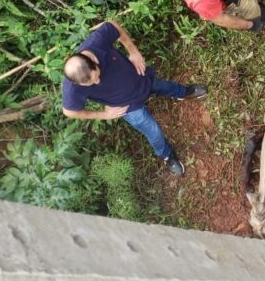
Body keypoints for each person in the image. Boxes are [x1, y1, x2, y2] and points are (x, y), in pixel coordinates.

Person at [62, 21, 207, 176]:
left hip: (139, 77)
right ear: (77, 83)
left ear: (94, 61)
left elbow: (112, 25)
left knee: (164, 86)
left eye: (96, 76)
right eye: (91, 84)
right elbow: (69, 111)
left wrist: (133, 51)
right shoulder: (72, 88)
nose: (97, 82)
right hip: (126, 106)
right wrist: (104, 115)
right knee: (154, 131)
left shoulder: (97, 42)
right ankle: (167, 155)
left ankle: (184, 92)